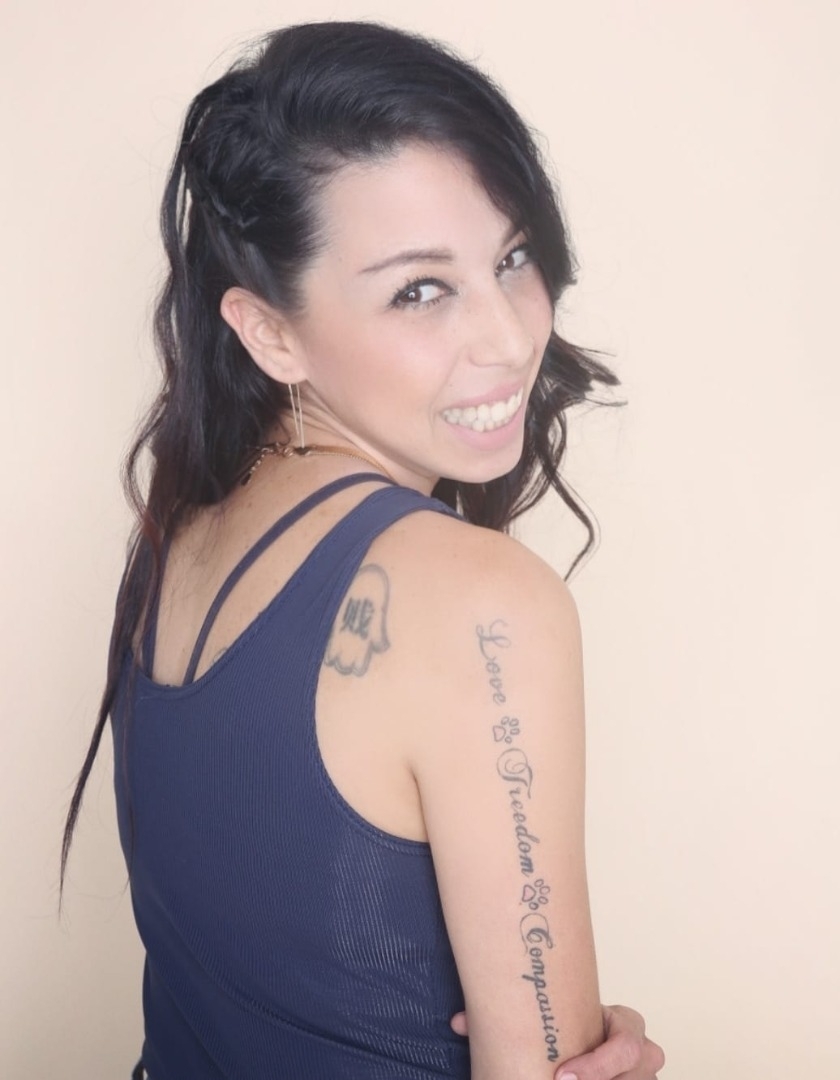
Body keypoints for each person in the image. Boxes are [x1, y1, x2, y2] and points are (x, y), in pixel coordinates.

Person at [62, 20, 663, 1080]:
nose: (510, 337)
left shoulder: (177, 539)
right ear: (269, 331)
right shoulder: (481, 602)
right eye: (420, 290)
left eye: (512, 258)